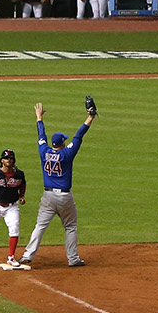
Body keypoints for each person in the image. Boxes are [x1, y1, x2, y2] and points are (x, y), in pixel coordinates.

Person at [20, 98, 95, 268]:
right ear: (62, 143)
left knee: (40, 226)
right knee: (70, 226)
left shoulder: (44, 150)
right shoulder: (66, 154)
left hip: (48, 196)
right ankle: (73, 258)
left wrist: (39, 118)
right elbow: (79, 135)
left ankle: (27, 256)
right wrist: (90, 117)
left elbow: (41, 136)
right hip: (64, 197)